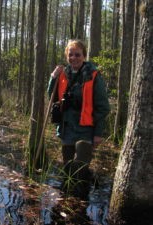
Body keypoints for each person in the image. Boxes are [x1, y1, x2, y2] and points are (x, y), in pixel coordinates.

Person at [47, 40, 110, 195]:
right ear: (67, 56)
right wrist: (53, 78)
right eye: (70, 54)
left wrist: (98, 133)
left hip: (85, 129)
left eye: (77, 54)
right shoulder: (63, 74)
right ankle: (68, 200)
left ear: (84, 56)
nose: (74, 58)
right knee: (68, 168)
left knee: (80, 167)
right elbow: (52, 97)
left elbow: (103, 107)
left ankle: (81, 200)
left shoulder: (93, 75)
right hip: (67, 127)